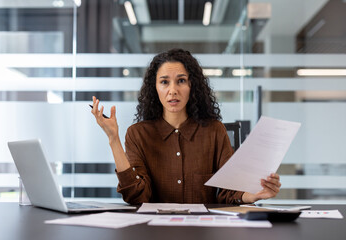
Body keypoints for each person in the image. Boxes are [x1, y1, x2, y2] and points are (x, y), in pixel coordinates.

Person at [91, 48, 281, 204]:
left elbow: (228, 193)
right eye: (164, 82)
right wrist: (113, 139)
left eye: (181, 81)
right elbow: (136, 195)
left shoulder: (214, 130)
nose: (173, 90)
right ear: (155, 88)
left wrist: (254, 194)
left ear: (192, 86)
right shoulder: (138, 134)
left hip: (203, 231)